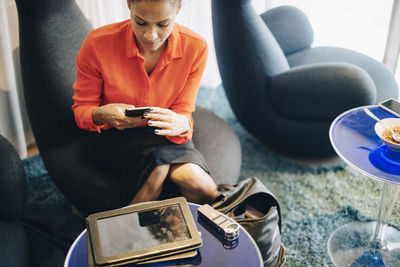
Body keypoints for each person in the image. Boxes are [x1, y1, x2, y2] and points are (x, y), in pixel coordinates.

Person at [72, 0, 219, 205]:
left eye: (163, 24)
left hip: (161, 132)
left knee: (200, 184)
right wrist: (102, 114)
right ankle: (128, 233)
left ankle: (208, 229)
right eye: (141, 22)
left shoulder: (196, 48)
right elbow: (82, 112)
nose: (151, 36)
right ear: (129, 5)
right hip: (112, 133)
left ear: (178, 8)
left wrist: (182, 123)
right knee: (156, 172)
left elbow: (184, 111)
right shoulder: (98, 44)